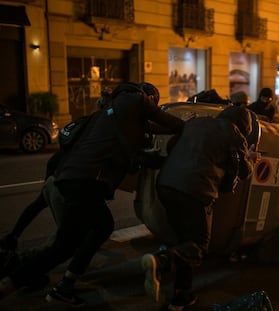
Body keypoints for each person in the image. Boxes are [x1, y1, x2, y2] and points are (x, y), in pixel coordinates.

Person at [0, 82, 185, 306]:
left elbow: (151, 135)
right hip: (85, 182)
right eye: (152, 103)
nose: (151, 108)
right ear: (148, 99)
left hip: (74, 179)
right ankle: (14, 283)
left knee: (99, 228)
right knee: (64, 245)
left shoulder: (114, 114)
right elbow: (168, 122)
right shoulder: (134, 100)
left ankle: (64, 284)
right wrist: (188, 126)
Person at [140, 106, 259, 310]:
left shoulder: (196, 122)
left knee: (184, 243)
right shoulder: (234, 134)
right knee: (198, 244)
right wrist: (250, 156)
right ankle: (160, 261)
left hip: (166, 184)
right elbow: (245, 171)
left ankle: (181, 296)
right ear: (244, 126)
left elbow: (172, 145)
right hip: (194, 191)